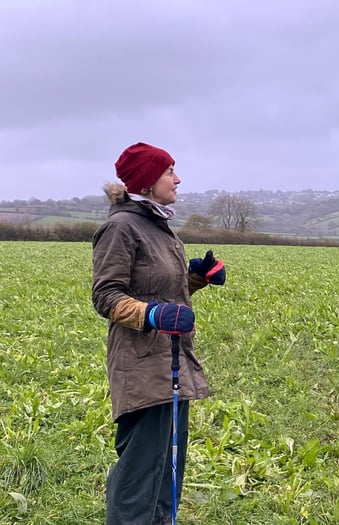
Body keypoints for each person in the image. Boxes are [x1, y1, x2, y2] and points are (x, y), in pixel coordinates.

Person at [92, 142, 226, 524]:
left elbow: (162, 290)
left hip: (170, 361)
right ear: (148, 182)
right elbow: (106, 296)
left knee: (167, 474)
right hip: (141, 368)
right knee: (140, 479)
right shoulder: (121, 228)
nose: (178, 178)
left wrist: (197, 277)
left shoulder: (156, 225)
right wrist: (151, 314)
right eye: (170, 171)